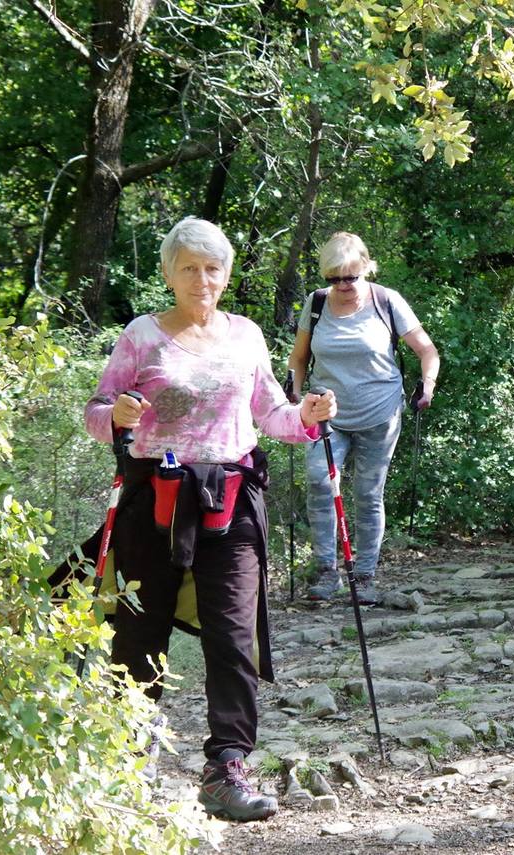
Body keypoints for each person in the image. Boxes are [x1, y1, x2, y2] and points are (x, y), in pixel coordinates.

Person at [83, 216, 336, 822]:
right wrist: (115, 414)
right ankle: (127, 761)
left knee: (234, 635)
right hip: (154, 498)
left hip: (232, 499)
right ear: (169, 274)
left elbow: (271, 412)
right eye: (189, 268)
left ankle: (227, 767)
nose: (202, 279)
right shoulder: (142, 336)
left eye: (212, 268)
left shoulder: (246, 335)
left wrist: (306, 415)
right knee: (139, 632)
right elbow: (96, 410)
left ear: (226, 275)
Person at [287, 231, 440, 605]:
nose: (342, 285)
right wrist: (293, 389)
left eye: (350, 277)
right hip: (325, 413)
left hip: (379, 413)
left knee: (368, 494)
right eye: (334, 278)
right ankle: (327, 572)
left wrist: (428, 385)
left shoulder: (387, 301)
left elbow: (427, 351)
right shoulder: (317, 303)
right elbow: (299, 357)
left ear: (367, 268)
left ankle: (365, 576)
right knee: (319, 482)